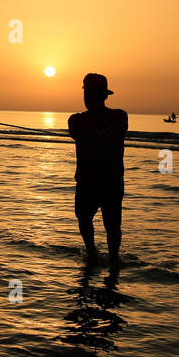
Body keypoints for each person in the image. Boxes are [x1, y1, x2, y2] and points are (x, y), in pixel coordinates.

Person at [68, 73, 127, 277]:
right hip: (111, 182)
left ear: (87, 96)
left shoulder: (77, 120)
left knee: (85, 219)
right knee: (112, 225)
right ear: (105, 95)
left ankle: (93, 252)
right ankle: (112, 259)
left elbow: (77, 130)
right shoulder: (120, 117)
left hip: (89, 182)